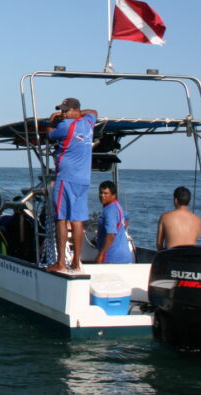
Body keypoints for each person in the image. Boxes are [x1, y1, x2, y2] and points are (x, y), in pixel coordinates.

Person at [45, 97, 99, 273]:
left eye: (66, 110)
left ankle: (61, 263)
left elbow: (49, 133)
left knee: (61, 219)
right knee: (77, 220)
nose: (63, 113)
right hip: (83, 180)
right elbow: (94, 112)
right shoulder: (88, 123)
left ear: (75, 110)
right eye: (62, 111)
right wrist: (78, 114)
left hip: (66, 178)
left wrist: (53, 118)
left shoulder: (66, 126)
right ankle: (76, 263)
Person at [95, 180, 132, 264]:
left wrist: (101, 254)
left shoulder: (110, 210)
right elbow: (126, 220)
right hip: (124, 256)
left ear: (113, 195)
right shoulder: (117, 206)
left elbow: (111, 234)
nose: (102, 196)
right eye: (100, 192)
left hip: (111, 257)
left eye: (106, 193)